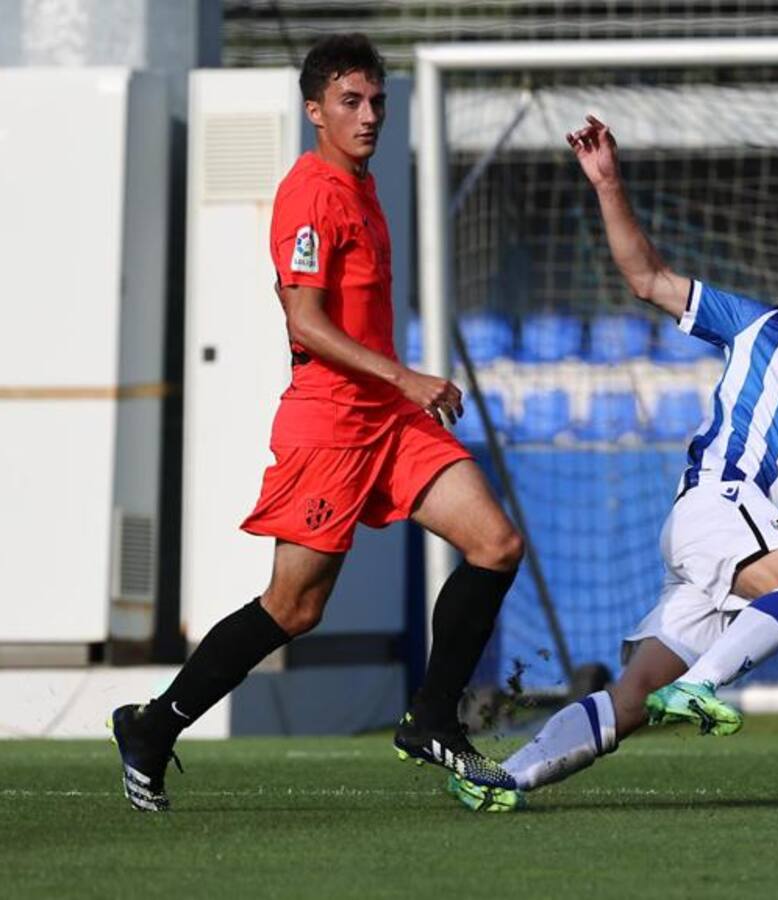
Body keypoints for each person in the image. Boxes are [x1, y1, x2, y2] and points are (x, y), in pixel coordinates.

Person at [448, 115, 778, 812]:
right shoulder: (761, 327)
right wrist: (608, 184)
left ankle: (503, 778)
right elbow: (648, 278)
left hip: (749, 544)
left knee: (633, 698)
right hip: (717, 504)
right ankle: (701, 686)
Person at [110, 34, 525, 812]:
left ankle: (432, 719)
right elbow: (305, 321)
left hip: (390, 419)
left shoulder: (364, 184)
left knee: (495, 543)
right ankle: (153, 728)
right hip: (331, 423)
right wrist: (408, 376)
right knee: (295, 607)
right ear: (314, 111)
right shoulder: (311, 191)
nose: (368, 115)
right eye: (350, 102)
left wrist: (400, 391)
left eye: (376, 101)